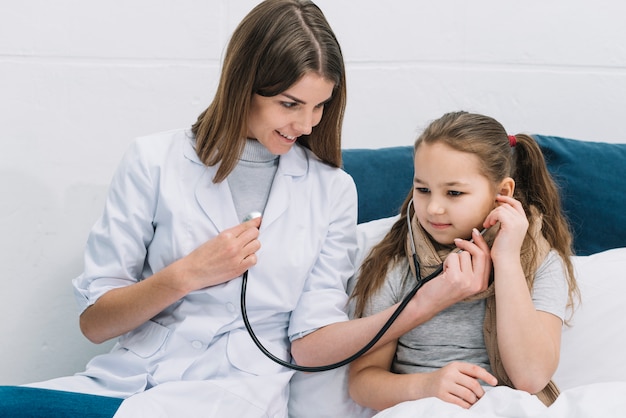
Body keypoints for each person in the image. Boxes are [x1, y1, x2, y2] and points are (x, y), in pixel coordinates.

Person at [0, 2, 491, 417]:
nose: (305, 123)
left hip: (238, 393)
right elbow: (94, 323)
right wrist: (186, 274)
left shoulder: (332, 189)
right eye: (288, 103)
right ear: (243, 85)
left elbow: (309, 344)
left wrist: (425, 302)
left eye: (320, 106)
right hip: (127, 380)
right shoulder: (153, 160)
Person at [348, 111, 580, 413]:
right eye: (423, 189)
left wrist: (507, 261)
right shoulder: (395, 263)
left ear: (502, 193)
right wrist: (426, 386)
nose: (433, 208)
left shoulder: (542, 263)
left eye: (454, 193)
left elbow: (532, 376)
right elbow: (362, 383)